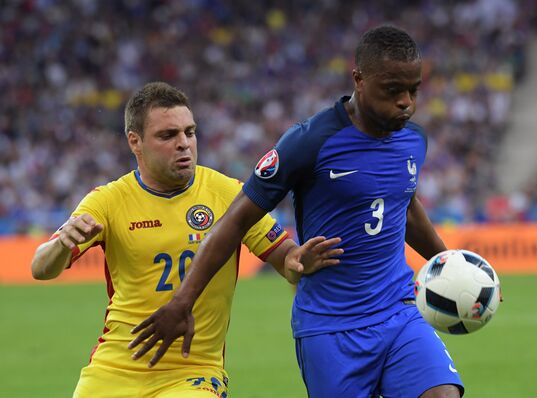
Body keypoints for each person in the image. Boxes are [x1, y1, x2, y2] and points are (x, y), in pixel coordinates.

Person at [129, 26, 465, 398]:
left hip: (399, 311)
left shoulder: (413, 139)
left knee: (442, 394)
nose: (406, 102)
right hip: (330, 328)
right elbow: (236, 220)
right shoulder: (309, 141)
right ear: (359, 79)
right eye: (393, 90)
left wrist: (453, 266)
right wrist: (182, 301)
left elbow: (404, 206)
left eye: (413, 90)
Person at [30, 81, 343, 398]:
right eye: (168, 135)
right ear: (135, 142)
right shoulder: (108, 201)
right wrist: (59, 244)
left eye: (189, 132)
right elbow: (41, 268)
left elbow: (287, 259)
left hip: (194, 373)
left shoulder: (228, 194)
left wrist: (300, 261)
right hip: (114, 370)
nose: (184, 144)